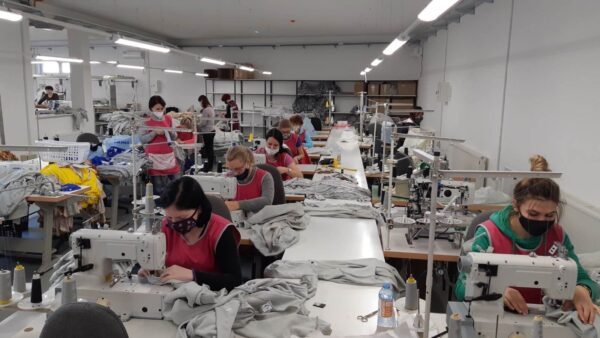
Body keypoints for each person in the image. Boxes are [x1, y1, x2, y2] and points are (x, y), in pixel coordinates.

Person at [455, 155, 599, 324]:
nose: (542, 221)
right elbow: (460, 288)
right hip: (495, 321)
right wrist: (494, 291)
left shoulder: (557, 237)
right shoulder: (488, 235)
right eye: (533, 214)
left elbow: (582, 277)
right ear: (516, 205)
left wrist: (583, 290)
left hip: (540, 321)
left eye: (550, 215)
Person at [139, 177, 242, 291]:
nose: (173, 223)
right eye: (169, 217)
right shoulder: (164, 227)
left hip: (211, 296)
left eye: (180, 218)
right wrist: (147, 268)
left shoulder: (220, 231)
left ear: (199, 209)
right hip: (173, 292)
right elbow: (149, 261)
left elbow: (234, 280)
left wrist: (193, 275)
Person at [139, 96, 180, 196]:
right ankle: (161, 207)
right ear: (151, 109)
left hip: (169, 155)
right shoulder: (145, 121)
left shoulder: (168, 118)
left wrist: (170, 132)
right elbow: (142, 139)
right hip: (154, 158)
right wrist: (154, 132)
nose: (160, 111)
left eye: (162, 108)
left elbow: (175, 136)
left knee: (177, 182)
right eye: (157, 109)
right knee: (158, 186)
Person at [224, 145, 274, 213]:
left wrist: (238, 204)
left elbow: (267, 200)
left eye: (238, 169)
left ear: (248, 163)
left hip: (260, 220)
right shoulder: (227, 177)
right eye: (230, 169)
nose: (234, 173)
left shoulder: (265, 177)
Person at [197, 95, 216, 171]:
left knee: (209, 150)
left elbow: (204, 123)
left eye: (200, 102)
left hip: (207, 132)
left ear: (202, 101)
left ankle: (209, 166)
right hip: (211, 131)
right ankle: (210, 165)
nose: (200, 104)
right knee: (210, 149)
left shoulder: (206, 110)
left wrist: (197, 124)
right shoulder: (211, 108)